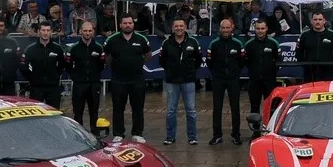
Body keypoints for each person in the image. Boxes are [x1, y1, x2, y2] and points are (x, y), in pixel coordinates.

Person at [104, 15, 151, 139]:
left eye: (130, 23)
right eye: (125, 23)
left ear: (133, 24)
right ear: (120, 25)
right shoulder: (112, 39)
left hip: (137, 79)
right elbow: (106, 56)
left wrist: (137, 64)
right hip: (118, 80)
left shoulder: (141, 39)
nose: (127, 25)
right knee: (118, 108)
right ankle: (118, 134)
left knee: (138, 108)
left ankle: (137, 133)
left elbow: (148, 55)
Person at [159, 17, 202, 145]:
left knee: (191, 110)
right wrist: (171, 70)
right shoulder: (167, 43)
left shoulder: (193, 42)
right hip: (172, 81)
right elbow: (162, 61)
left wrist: (190, 71)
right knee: (171, 110)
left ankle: (192, 137)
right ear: (173, 28)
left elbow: (198, 60)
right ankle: (170, 137)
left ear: (185, 27)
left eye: (181, 26)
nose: (179, 28)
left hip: (188, 80)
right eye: (176, 26)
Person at [208, 18, 245, 145]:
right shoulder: (214, 44)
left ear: (232, 28)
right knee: (217, 108)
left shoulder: (238, 44)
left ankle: (236, 135)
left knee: (235, 108)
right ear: (220, 29)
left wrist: (234, 72)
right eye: (223, 28)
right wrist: (217, 72)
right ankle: (217, 135)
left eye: (227, 28)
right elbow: (209, 62)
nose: (225, 30)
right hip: (218, 79)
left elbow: (242, 62)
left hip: (233, 79)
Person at [66, 21, 105, 131]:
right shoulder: (73, 48)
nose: (87, 33)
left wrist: (94, 75)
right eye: (85, 31)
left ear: (93, 32)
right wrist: (76, 76)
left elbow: (101, 65)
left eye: (90, 31)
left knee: (94, 111)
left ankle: (95, 133)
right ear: (80, 31)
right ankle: (79, 135)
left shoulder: (99, 48)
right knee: (78, 112)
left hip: (94, 84)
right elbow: (68, 65)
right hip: (79, 84)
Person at [244, 20, 282, 131]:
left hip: (269, 81)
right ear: (254, 29)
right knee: (254, 107)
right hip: (254, 81)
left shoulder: (273, 43)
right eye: (258, 29)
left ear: (266, 29)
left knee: (271, 106)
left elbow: (279, 61)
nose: (260, 31)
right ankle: (255, 131)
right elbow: (246, 61)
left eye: (262, 28)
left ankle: (270, 129)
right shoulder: (249, 44)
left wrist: (271, 71)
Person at [20, 22, 67, 108]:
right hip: (36, 88)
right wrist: (33, 79)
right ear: (38, 31)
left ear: (51, 32)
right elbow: (24, 68)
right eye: (43, 30)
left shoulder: (58, 49)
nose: (45, 33)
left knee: (54, 115)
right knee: (36, 117)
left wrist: (54, 76)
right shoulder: (30, 49)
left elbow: (62, 66)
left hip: (53, 88)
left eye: (48, 30)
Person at [296, 10, 333, 82]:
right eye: (315, 19)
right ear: (312, 21)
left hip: (327, 72)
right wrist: (306, 65)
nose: (317, 22)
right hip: (309, 73)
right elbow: (298, 52)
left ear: (324, 21)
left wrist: (329, 64)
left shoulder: (332, 35)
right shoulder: (304, 35)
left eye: (320, 19)